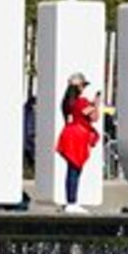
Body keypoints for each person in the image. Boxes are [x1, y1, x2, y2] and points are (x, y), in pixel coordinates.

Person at [54, 75, 98, 207]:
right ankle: (72, 202)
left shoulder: (66, 102)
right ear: (79, 87)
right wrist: (96, 103)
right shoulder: (81, 102)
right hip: (78, 136)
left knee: (71, 169)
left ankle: (70, 200)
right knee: (75, 170)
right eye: (83, 86)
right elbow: (93, 116)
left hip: (68, 134)